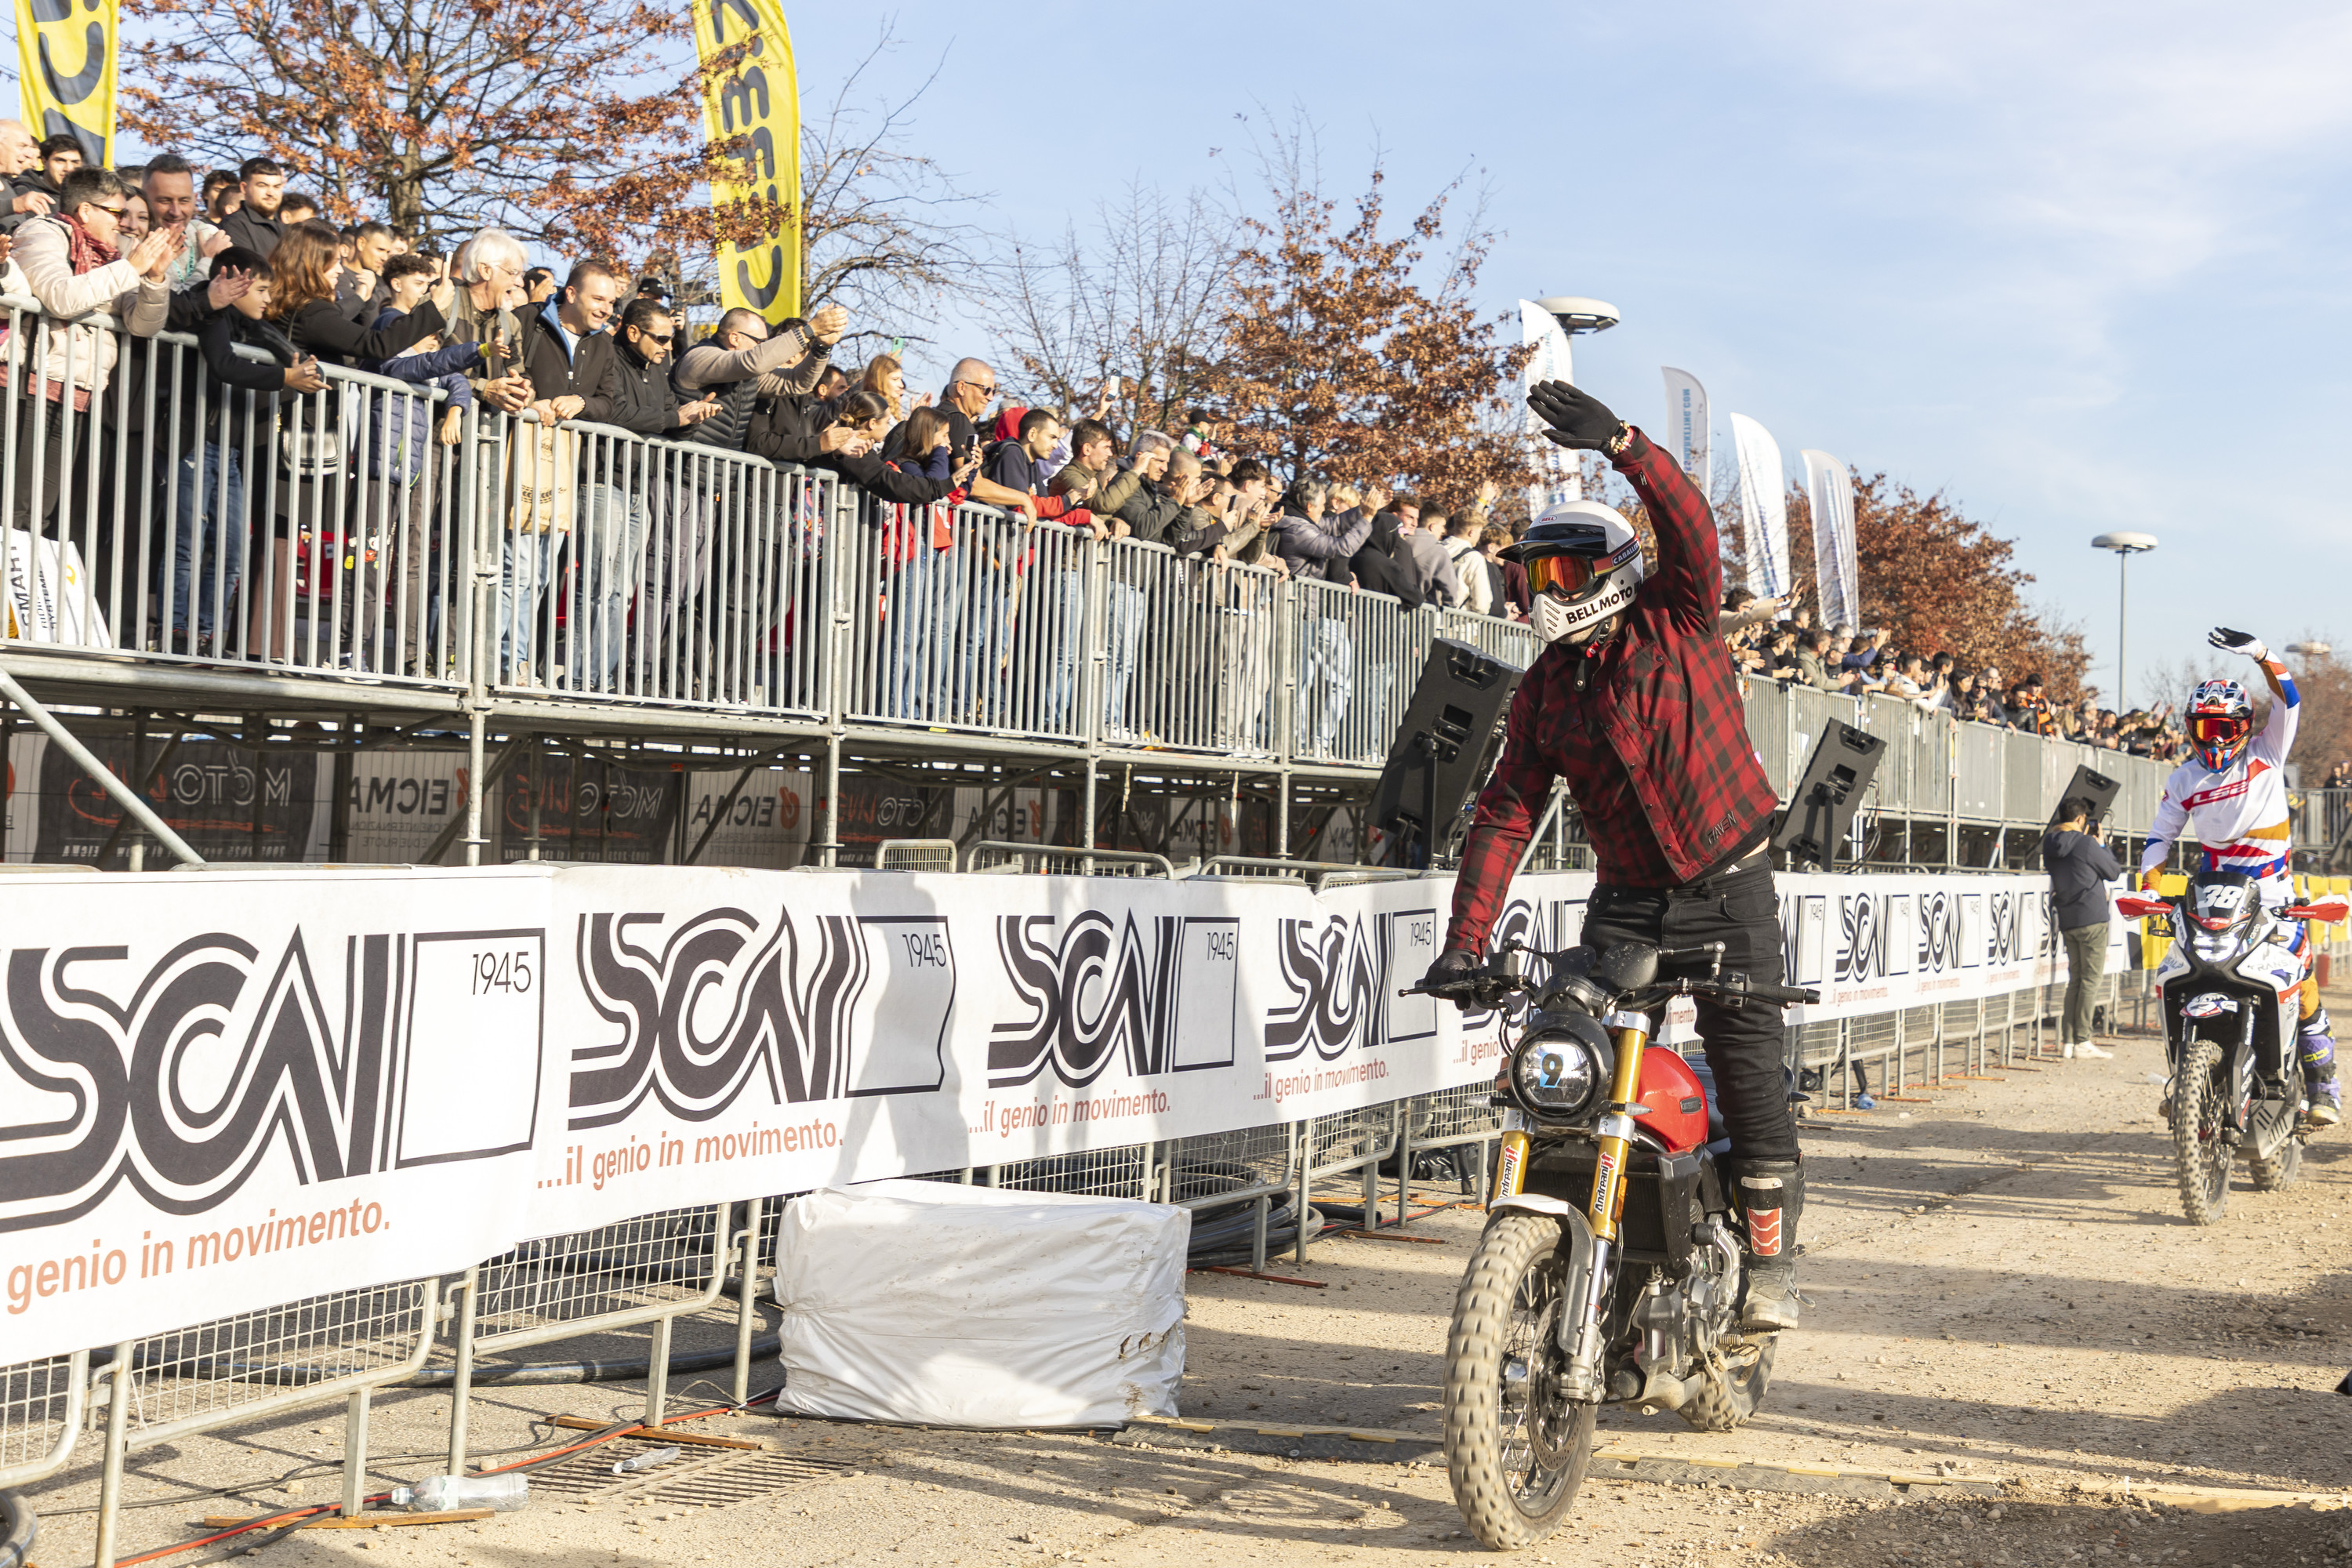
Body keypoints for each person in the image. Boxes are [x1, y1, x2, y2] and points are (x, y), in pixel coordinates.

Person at [1421, 379, 1803, 1332]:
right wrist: (1465, 943)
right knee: (1571, 1070)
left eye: (1561, 573)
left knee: (1748, 1072)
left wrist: (1624, 443)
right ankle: (1587, 1260)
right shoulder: (1544, 689)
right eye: (1533, 576)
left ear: (1614, 572)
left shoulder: (1680, 616)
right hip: (1628, 902)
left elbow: (1693, 527)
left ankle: (1768, 1267)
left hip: (1730, 889)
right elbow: (1505, 814)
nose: (1545, 591)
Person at [2140, 627, 2339, 1125]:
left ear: (2244, 728)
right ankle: (2187, 1080)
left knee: (2300, 980)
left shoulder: (2267, 754)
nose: (2215, 738)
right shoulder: (2183, 778)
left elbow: (2289, 700)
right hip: (2211, 899)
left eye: (2225, 727)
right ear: (2192, 728)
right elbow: (2160, 837)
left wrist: (2262, 655)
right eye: (2206, 727)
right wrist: (2148, 888)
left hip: (2273, 896)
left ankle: (2324, 1085)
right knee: (2179, 974)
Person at [2044, 796, 2122, 1061]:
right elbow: (2113, 872)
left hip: (2068, 917)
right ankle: (2083, 1041)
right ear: (2080, 819)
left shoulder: (2049, 843)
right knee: (2090, 980)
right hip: (2092, 916)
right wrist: (2102, 846)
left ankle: (2068, 1042)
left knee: (2075, 980)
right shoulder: (2086, 843)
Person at [220, 157, 286, 256]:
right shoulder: (234, 225)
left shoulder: (287, 227)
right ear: (244, 188)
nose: (271, 193)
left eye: (276, 187)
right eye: (262, 185)